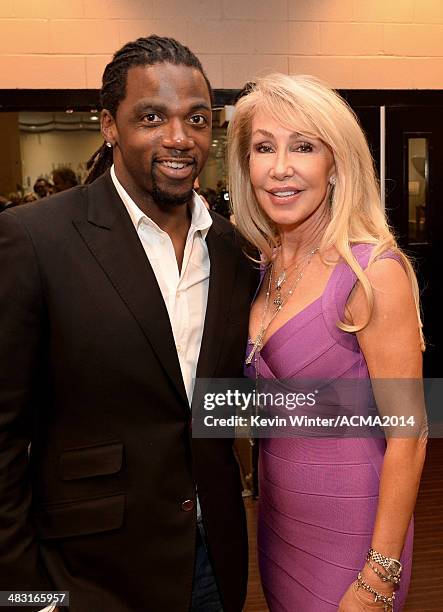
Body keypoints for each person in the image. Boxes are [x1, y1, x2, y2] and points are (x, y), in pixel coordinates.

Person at [0, 35, 257, 612]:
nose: (178, 138)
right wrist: (22, 595)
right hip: (88, 575)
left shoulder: (233, 250)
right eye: (151, 116)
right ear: (108, 125)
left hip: (213, 559)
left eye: (196, 119)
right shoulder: (35, 239)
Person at [227, 74, 427, 611]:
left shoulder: (371, 272)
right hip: (278, 528)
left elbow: (410, 434)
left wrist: (378, 577)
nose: (280, 167)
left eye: (304, 146)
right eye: (264, 147)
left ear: (336, 163)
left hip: (353, 536)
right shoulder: (265, 265)